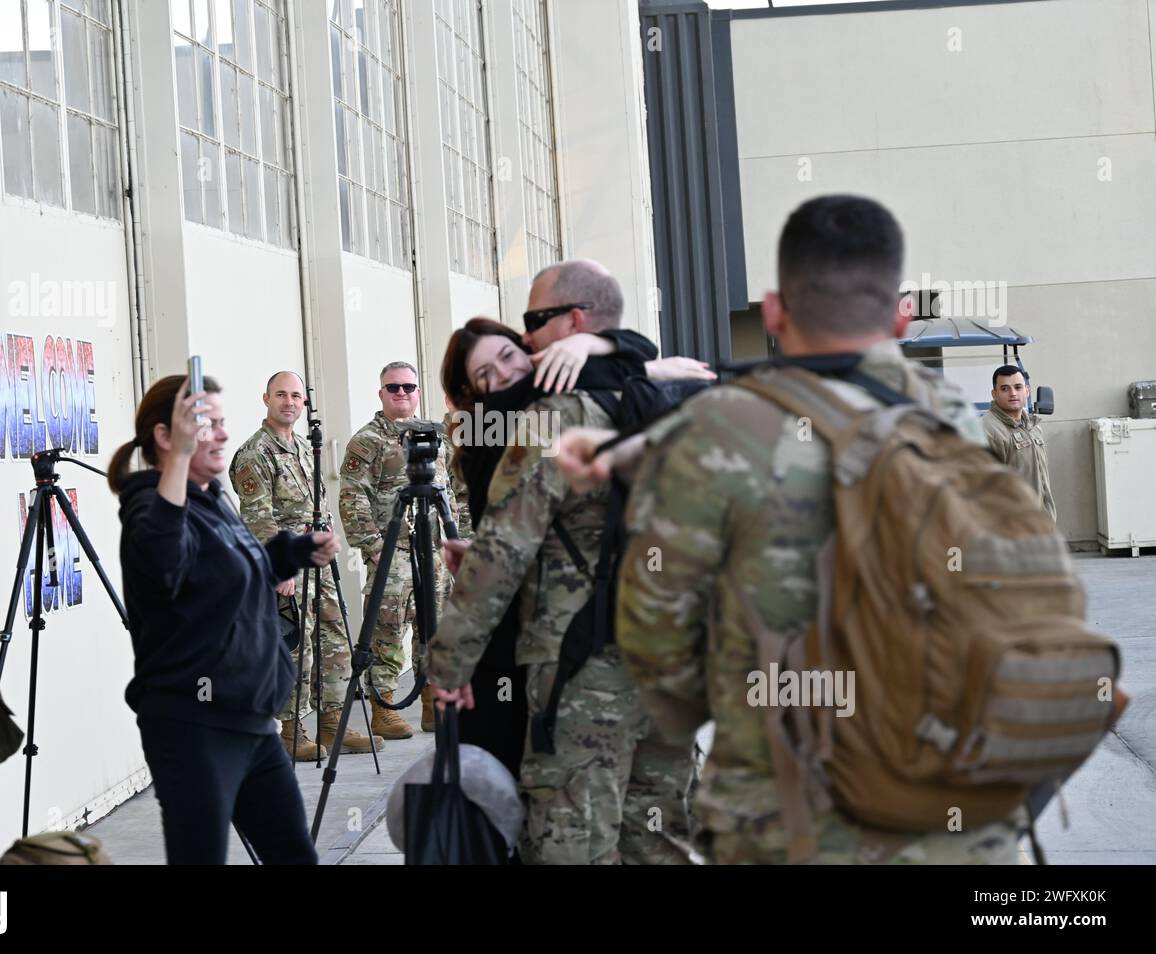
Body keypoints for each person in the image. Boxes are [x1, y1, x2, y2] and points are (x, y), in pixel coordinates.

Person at [568, 194, 1023, 864]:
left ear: (776, 312)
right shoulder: (960, 421)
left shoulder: (718, 427)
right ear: (902, 315)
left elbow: (657, 638)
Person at [425, 261, 706, 865]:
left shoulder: (555, 419)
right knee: (661, 841)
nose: (525, 340)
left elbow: (503, 551)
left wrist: (447, 665)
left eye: (532, 323)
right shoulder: (669, 394)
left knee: (573, 843)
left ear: (575, 321)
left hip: (586, 672)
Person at [109, 372, 337, 864]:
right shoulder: (150, 507)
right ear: (167, 437)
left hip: (251, 720)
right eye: (204, 424)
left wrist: (293, 552)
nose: (222, 434)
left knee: (294, 856)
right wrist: (178, 460)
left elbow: (232, 580)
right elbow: (166, 563)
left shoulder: (213, 499)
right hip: (193, 724)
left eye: (221, 422)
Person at [436, 318, 670, 783]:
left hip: (562, 632)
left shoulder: (555, 406)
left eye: (507, 356)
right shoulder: (497, 423)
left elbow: (636, 354)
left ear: (529, 350)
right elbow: (506, 542)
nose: (503, 375)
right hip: (509, 637)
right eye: (485, 375)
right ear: (472, 393)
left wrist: (594, 341)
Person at [229, 371, 379, 760]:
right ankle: (291, 732)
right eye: (281, 395)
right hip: (287, 568)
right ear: (266, 399)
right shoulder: (254, 454)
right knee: (296, 649)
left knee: (333, 641)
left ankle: (333, 727)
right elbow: (258, 518)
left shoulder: (301, 446)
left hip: (317, 563)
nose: (290, 402)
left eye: (296, 396)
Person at [338, 361, 460, 739]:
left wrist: (459, 538)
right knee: (388, 631)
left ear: (418, 392)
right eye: (394, 388)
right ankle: (384, 708)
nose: (402, 394)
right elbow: (352, 496)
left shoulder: (434, 437)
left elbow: (453, 488)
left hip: (434, 550)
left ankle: (431, 703)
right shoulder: (367, 440)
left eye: (408, 387)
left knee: (435, 628)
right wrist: (374, 547)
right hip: (393, 552)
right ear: (381, 394)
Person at [983, 365, 1056, 520]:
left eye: (1018, 387)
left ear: (1027, 391)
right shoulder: (988, 431)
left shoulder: (1032, 427)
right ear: (994, 394)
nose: (1013, 393)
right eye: (1004, 389)